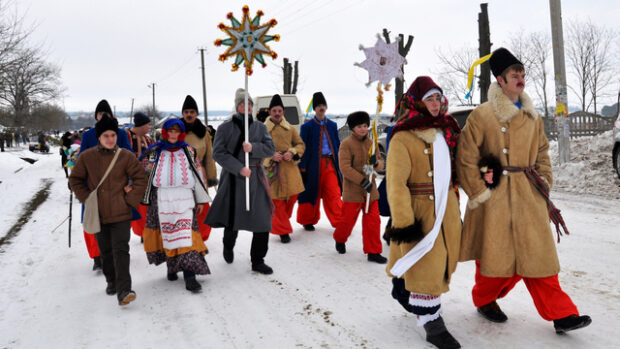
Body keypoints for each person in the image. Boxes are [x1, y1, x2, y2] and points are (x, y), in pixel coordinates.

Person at [456, 47, 591, 334]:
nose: (520, 78)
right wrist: (480, 193)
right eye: (513, 74)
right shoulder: (482, 115)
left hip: (528, 194)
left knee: (538, 257)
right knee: (497, 259)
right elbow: (466, 157)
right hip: (495, 196)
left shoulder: (532, 116)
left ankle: (563, 314)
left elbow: (542, 152)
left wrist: (544, 181)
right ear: (500, 80)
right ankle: (484, 298)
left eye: (522, 74)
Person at [384, 76, 463, 348]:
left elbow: (459, 168)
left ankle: (403, 289)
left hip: (446, 210)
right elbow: (396, 185)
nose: (435, 103)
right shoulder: (402, 136)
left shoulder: (447, 130)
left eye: (437, 97)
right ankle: (433, 325)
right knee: (426, 268)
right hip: (419, 213)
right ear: (418, 101)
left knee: (440, 266)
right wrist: (406, 224)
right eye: (429, 98)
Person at [69, 116, 147, 306]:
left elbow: (140, 178)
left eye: (113, 135)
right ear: (99, 137)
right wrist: (87, 198)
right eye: (106, 135)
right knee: (105, 252)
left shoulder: (125, 156)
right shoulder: (87, 157)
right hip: (99, 213)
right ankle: (111, 281)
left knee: (121, 250)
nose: (110, 139)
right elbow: (75, 180)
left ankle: (124, 289)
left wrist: (130, 200)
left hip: (121, 212)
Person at [205, 88, 276, 274]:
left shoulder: (260, 127)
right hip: (234, 179)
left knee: (262, 220)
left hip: (256, 177)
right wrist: (238, 168)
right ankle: (228, 244)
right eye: (244, 104)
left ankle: (258, 260)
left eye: (250, 104)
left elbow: (270, 149)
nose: (247, 107)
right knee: (232, 219)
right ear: (237, 106)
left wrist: (253, 147)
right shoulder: (224, 128)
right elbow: (218, 152)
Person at [139, 119, 211, 293]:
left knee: (186, 236)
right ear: (164, 132)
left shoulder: (189, 151)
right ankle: (172, 267)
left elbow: (198, 174)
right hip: (161, 198)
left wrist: (201, 199)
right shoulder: (154, 152)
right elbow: (140, 173)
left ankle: (190, 276)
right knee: (168, 235)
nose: (173, 134)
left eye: (176, 131)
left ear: (181, 133)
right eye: (170, 131)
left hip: (185, 198)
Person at [78, 99, 133, 271]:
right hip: (94, 187)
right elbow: (81, 159)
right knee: (94, 221)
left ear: (111, 115)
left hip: (116, 185)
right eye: (100, 114)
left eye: (106, 114)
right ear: (96, 116)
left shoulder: (120, 134)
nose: (103, 116)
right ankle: (97, 256)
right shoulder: (88, 135)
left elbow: (129, 156)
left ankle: (116, 255)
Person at [332, 111, 386, 263]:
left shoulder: (372, 143)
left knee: (373, 221)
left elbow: (380, 166)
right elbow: (345, 168)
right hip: (353, 190)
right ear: (352, 128)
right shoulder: (346, 144)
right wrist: (362, 181)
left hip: (371, 191)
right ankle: (340, 238)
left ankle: (373, 251)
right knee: (347, 220)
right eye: (359, 126)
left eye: (365, 126)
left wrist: (376, 163)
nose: (363, 129)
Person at [296, 92, 343, 231]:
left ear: (326, 107)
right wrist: (302, 168)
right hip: (313, 166)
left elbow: (338, 145)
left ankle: (340, 221)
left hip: (330, 164)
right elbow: (302, 148)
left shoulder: (333, 125)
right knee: (311, 193)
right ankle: (307, 220)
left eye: (323, 105)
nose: (321, 108)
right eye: (318, 106)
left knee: (334, 193)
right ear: (315, 109)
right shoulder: (307, 127)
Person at [263, 94, 305, 243]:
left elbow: (301, 145)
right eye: (274, 110)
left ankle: (280, 221)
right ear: (269, 112)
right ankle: (283, 231)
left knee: (292, 198)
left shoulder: (291, 129)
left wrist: (292, 152)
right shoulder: (262, 130)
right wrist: (270, 156)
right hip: (272, 172)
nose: (277, 113)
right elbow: (256, 150)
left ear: (283, 112)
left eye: (279, 110)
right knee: (277, 201)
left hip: (290, 170)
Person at [180, 95, 218, 244]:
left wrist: (211, 178)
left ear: (197, 114)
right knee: (183, 209)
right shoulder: (176, 131)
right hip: (180, 174)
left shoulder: (204, 133)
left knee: (201, 208)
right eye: (186, 112)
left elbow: (209, 157)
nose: (189, 114)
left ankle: (200, 239)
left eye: (192, 112)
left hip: (199, 174)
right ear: (183, 114)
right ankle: (185, 239)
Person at [127, 112, 155, 239]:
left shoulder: (148, 139)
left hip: (148, 179)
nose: (149, 127)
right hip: (131, 179)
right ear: (141, 125)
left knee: (147, 206)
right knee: (135, 206)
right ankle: (139, 231)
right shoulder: (127, 136)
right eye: (148, 125)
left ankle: (147, 231)